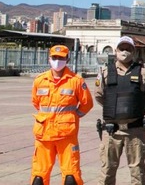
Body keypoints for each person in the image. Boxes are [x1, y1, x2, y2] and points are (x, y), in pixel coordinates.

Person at [95, 36, 145, 185]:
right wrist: (114, 109)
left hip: (134, 131)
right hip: (112, 131)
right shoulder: (105, 72)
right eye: (121, 48)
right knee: (107, 171)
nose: (125, 52)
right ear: (116, 51)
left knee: (137, 172)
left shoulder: (144, 73)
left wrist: (135, 108)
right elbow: (99, 96)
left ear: (134, 52)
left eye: (128, 49)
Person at [31, 44, 94, 185]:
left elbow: (87, 103)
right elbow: (36, 102)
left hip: (66, 135)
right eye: (54, 58)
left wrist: (73, 116)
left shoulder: (76, 81)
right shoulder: (40, 80)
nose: (57, 61)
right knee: (38, 178)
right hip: (44, 134)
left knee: (71, 178)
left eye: (61, 58)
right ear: (49, 59)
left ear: (67, 59)